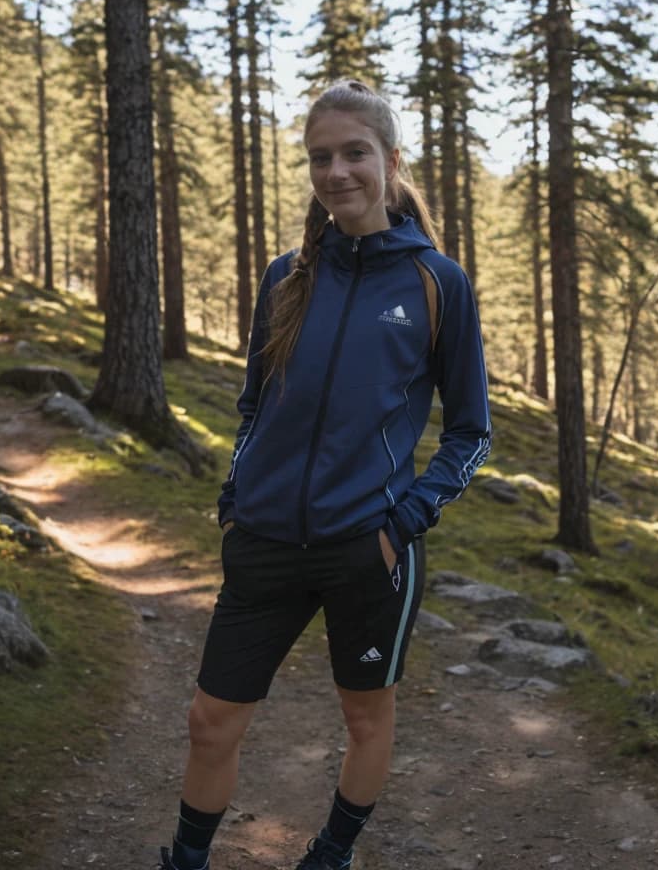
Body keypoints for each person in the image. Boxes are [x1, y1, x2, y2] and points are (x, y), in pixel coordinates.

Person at [159, 80, 492, 870]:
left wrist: (403, 523)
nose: (337, 172)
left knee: (365, 720)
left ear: (390, 160)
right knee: (210, 720)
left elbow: (471, 432)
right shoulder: (286, 277)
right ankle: (184, 861)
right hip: (265, 540)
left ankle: (332, 855)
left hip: (367, 549)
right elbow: (253, 405)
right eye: (320, 158)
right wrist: (236, 503)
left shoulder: (435, 284)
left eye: (354, 154)